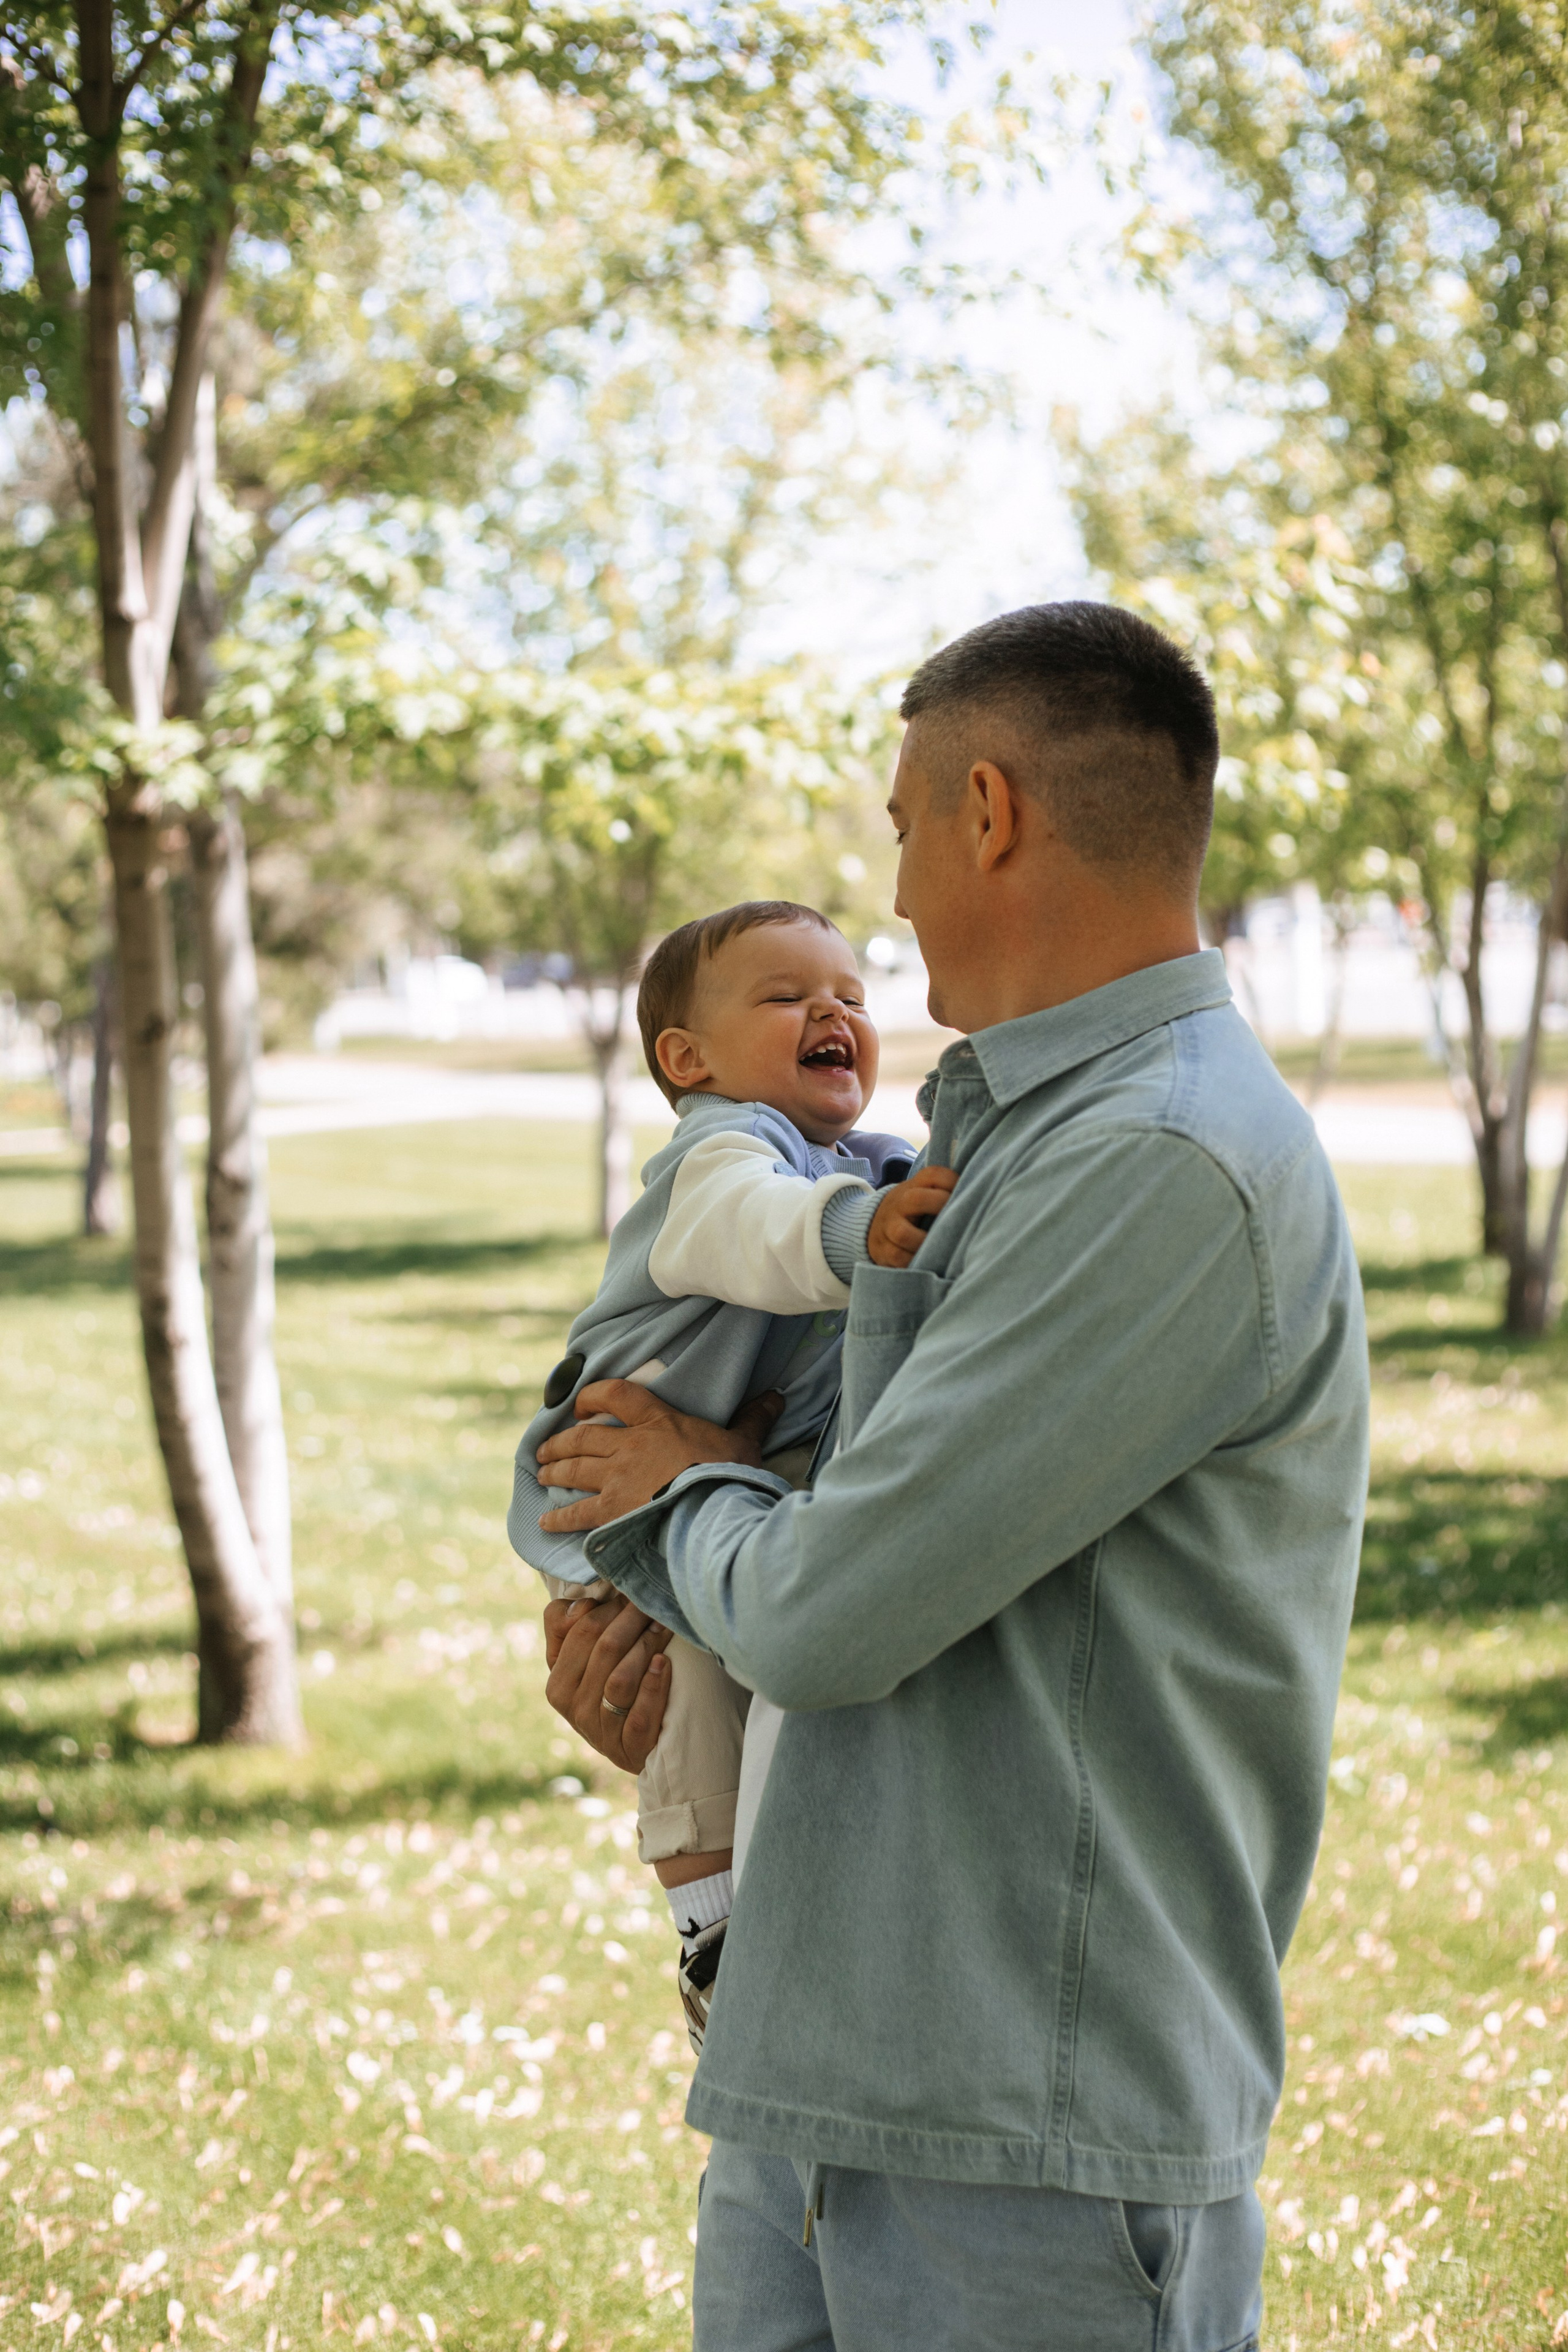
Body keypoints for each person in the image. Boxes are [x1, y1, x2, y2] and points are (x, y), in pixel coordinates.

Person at [536, 601, 1370, 2352]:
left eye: (905, 825)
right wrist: (688, 1657)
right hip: (822, 2064)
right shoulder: (1003, 1133)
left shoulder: (1159, 1160)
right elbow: (868, 1570)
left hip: (1024, 2134)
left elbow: (836, 1605)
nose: (899, 886)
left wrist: (669, 1494)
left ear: (986, 811)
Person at [508, 899, 954, 2045]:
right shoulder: (718, 1157)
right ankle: (714, 1937)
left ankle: (772, 1910)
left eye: (851, 996)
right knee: (689, 1678)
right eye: (787, 996)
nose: (834, 1012)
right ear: (687, 1059)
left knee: (753, 1680)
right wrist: (868, 1231)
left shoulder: (860, 1160)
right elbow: (757, 1228)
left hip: (733, 1476)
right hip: (611, 1488)